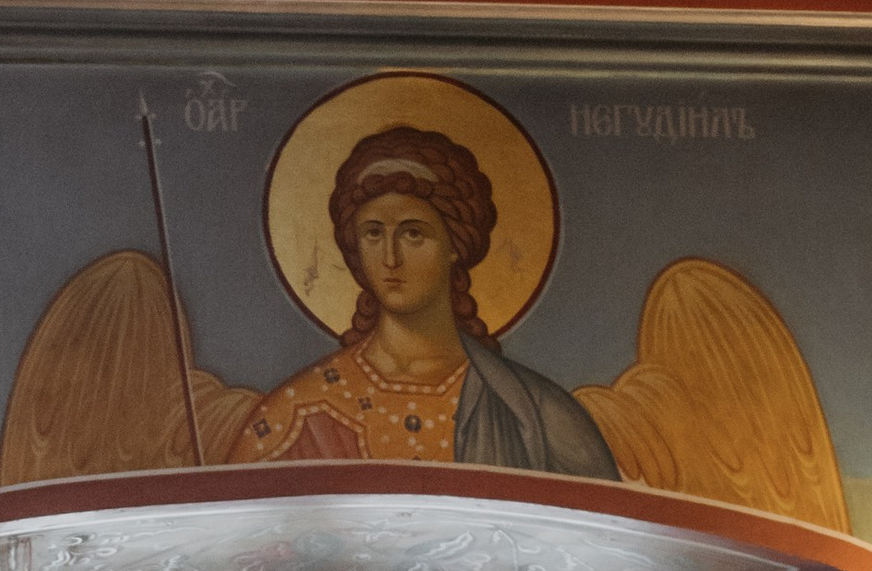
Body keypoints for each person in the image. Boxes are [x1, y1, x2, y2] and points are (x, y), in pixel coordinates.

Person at [224, 125, 618, 478]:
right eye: (373, 234)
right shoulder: (296, 414)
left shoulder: (536, 414)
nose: (391, 257)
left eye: (414, 234)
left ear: (455, 246)